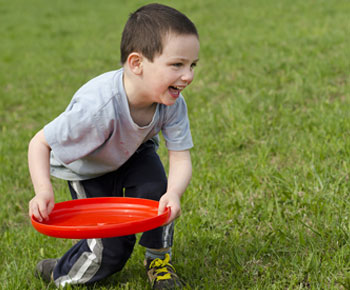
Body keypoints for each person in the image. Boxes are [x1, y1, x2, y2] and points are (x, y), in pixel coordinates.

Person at [28, 3, 200, 289]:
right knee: (110, 248)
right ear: (137, 64)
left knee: (158, 196)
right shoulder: (97, 106)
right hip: (88, 166)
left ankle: (158, 261)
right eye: (177, 65)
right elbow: (40, 142)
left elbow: (180, 158)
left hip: (132, 152)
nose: (188, 76)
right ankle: (62, 275)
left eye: (192, 65)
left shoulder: (172, 103)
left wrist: (174, 193)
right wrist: (43, 190)